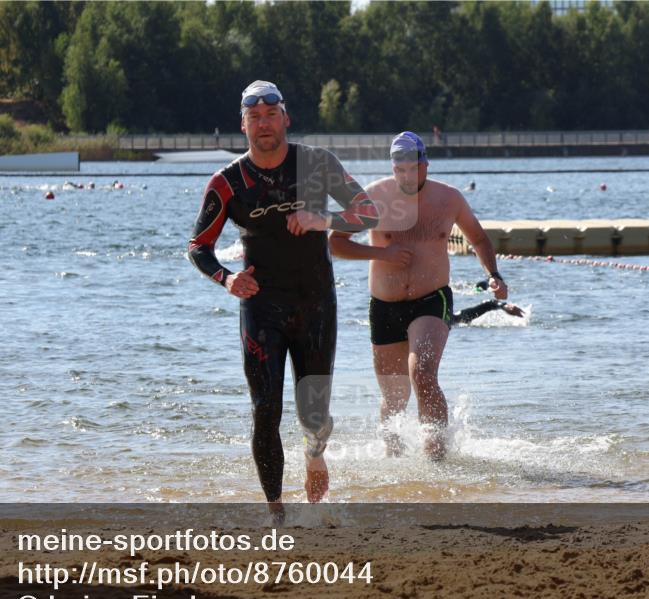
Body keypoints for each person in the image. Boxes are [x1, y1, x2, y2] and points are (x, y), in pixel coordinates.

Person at [187, 81, 379, 519]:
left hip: (315, 302)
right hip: (260, 303)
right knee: (265, 409)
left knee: (315, 413)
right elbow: (199, 246)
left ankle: (314, 452)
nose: (263, 123)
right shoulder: (228, 182)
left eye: (271, 114)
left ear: (286, 118)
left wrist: (322, 219)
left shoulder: (316, 165)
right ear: (243, 125)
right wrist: (226, 278)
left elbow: (370, 212)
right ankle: (277, 513)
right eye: (254, 117)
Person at [329, 131, 507, 459]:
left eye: (413, 168)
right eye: (400, 170)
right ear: (393, 168)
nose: (407, 176)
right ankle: (394, 461)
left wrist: (493, 275)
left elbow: (479, 239)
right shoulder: (373, 197)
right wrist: (383, 255)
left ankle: (436, 461)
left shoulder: (449, 198)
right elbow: (335, 242)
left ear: (425, 164)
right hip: (384, 305)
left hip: (431, 298)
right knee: (394, 399)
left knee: (422, 373)